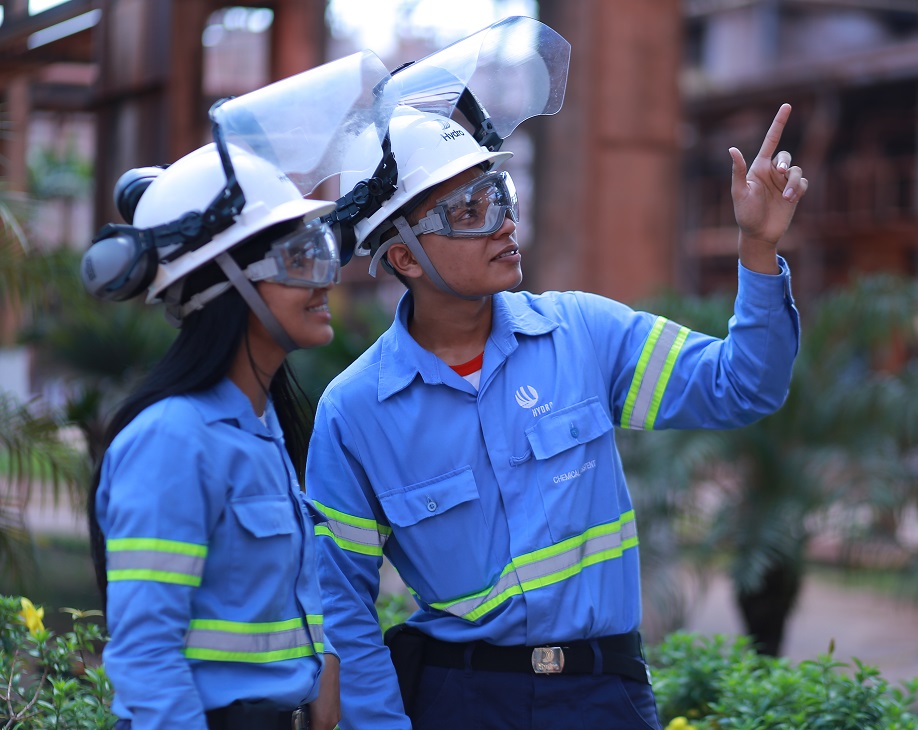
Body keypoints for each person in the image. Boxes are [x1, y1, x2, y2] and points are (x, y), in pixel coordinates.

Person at [306, 101, 806, 729]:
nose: (504, 224)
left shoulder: (581, 334)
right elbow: (343, 606)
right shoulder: (354, 413)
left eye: (501, 195)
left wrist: (758, 248)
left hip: (603, 696)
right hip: (460, 702)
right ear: (405, 258)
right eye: (469, 211)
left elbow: (742, 386)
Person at [84, 141, 344, 730]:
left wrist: (324, 664)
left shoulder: (261, 424)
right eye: (299, 259)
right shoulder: (173, 440)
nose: (325, 278)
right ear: (228, 282)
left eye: (319, 251)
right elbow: (146, 656)